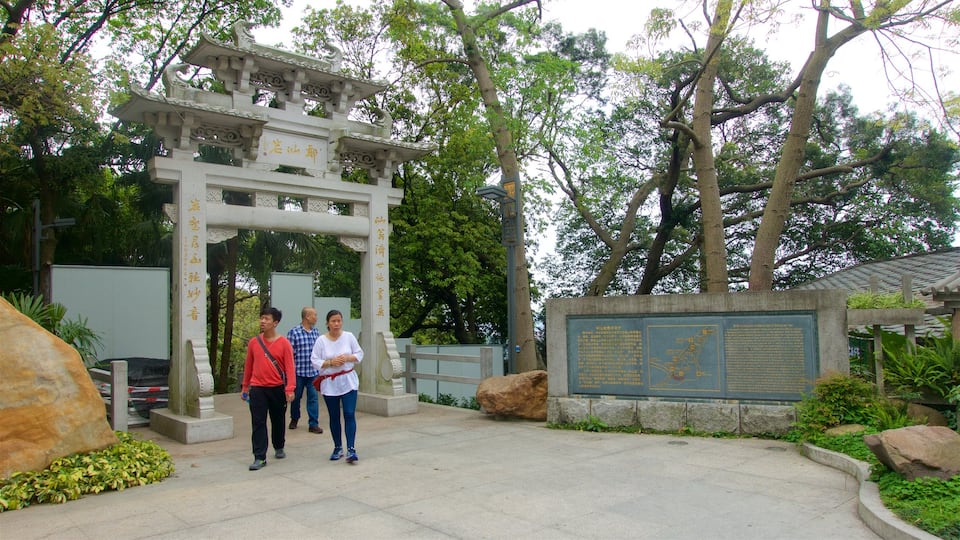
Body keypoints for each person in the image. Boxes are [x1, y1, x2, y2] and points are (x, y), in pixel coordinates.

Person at [241, 306, 295, 471]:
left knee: (278, 420)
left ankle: (279, 445)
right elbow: (248, 366)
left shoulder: (284, 343)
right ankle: (259, 456)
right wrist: (245, 387)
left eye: (267, 319)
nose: (262, 322)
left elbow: (290, 368)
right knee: (258, 422)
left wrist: (290, 388)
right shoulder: (254, 343)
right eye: (261, 318)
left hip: (277, 388)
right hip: (257, 389)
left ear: (275, 323)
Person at [310, 309, 363, 464]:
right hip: (330, 383)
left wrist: (347, 358)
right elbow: (315, 360)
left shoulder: (349, 337)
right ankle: (337, 446)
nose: (336, 324)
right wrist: (331, 362)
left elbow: (359, 354)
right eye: (333, 321)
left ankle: (351, 448)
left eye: (339, 320)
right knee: (334, 416)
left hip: (348, 380)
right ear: (327, 323)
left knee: (348, 413)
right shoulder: (321, 340)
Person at [287, 307, 324, 434]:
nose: (316, 317)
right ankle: (294, 418)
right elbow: (289, 355)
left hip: (313, 373)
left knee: (313, 398)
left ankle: (313, 424)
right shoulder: (294, 332)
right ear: (307, 317)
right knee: (296, 398)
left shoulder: (316, 333)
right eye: (315, 315)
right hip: (298, 373)